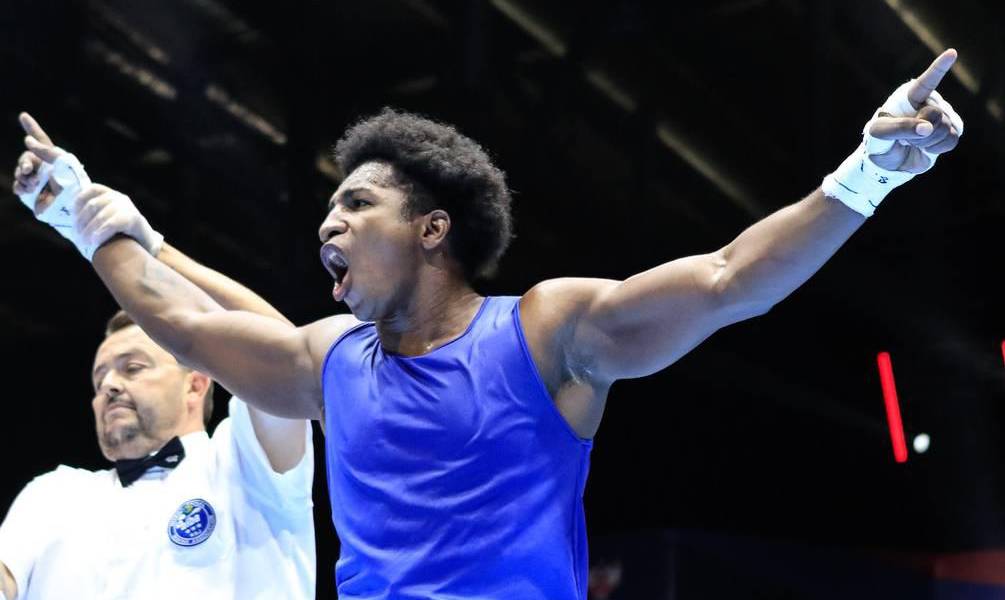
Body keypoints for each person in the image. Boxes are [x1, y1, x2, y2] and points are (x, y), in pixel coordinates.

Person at [18, 49, 963, 599]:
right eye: (328, 211)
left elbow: (726, 280)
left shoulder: (546, 334)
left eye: (356, 205)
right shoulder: (330, 360)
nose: (328, 226)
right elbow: (181, 323)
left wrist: (867, 174)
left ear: (431, 230)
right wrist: (81, 216)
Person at [2, 152, 316, 599]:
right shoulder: (55, 494)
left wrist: (136, 245)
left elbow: (287, 357)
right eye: (99, 380)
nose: (110, 386)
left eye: (133, 368)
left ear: (196, 381)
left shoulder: (245, 463)